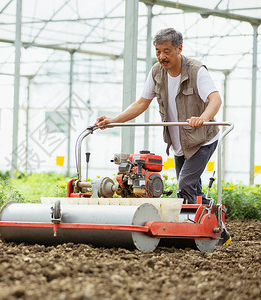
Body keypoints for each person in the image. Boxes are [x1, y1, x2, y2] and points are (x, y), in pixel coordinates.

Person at [95, 28, 222, 205]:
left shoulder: (196, 70)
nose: (162, 56)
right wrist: (113, 121)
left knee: (185, 184)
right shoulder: (156, 72)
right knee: (191, 188)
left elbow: (215, 99)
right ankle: (211, 220)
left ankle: (187, 228)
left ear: (179, 48)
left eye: (166, 51)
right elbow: (141, 103)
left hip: (202, 140)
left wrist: (203, 118)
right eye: (158, 51)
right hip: (179, 143)